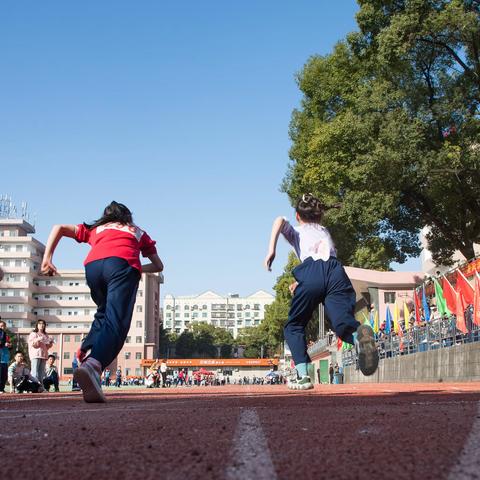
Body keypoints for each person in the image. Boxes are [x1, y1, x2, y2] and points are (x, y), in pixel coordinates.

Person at [40, 201, 164, 403]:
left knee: (103, 312)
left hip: (93, 267)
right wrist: (134, 266)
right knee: (117, 322)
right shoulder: (138, 231)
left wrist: (47, 258)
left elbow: (59, 228)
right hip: (121, 265)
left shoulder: (95, 228)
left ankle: (87, 348)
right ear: (127, 217)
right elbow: (159, 265)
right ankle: (93, 365)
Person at [264, 193, 378, 390]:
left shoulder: (297, 232)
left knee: (294, 327)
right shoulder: (324, 230)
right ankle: (358, 338)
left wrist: (271, 250)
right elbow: (323, 263)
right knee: (341, 322)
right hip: (336, 272)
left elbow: (279, 220)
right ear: (320, 216)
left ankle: (303, 376)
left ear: (298, 216)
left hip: (311, 273)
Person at [28, 319, 54, 384]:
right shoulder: (33, 333)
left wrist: (50, 343)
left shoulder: (45, 335)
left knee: (41, 372)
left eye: (43, 324)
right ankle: (33, 386)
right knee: (34, 371)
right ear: (37, 325)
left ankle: (40, 386)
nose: (41, 325)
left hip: (43, 355)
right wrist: (38, 339)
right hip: (35, 355)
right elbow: (33, 344)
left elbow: (46, 347)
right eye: (40, 324)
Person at [0, 318, 12, 393]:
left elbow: (10, 346)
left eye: (3, 326)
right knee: (0, 374)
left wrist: (10, 345)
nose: (2, 327)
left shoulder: (6, 335)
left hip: (5, 358)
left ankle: (2, 388)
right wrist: (3, 343)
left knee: (4, 375)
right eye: (0, 326)